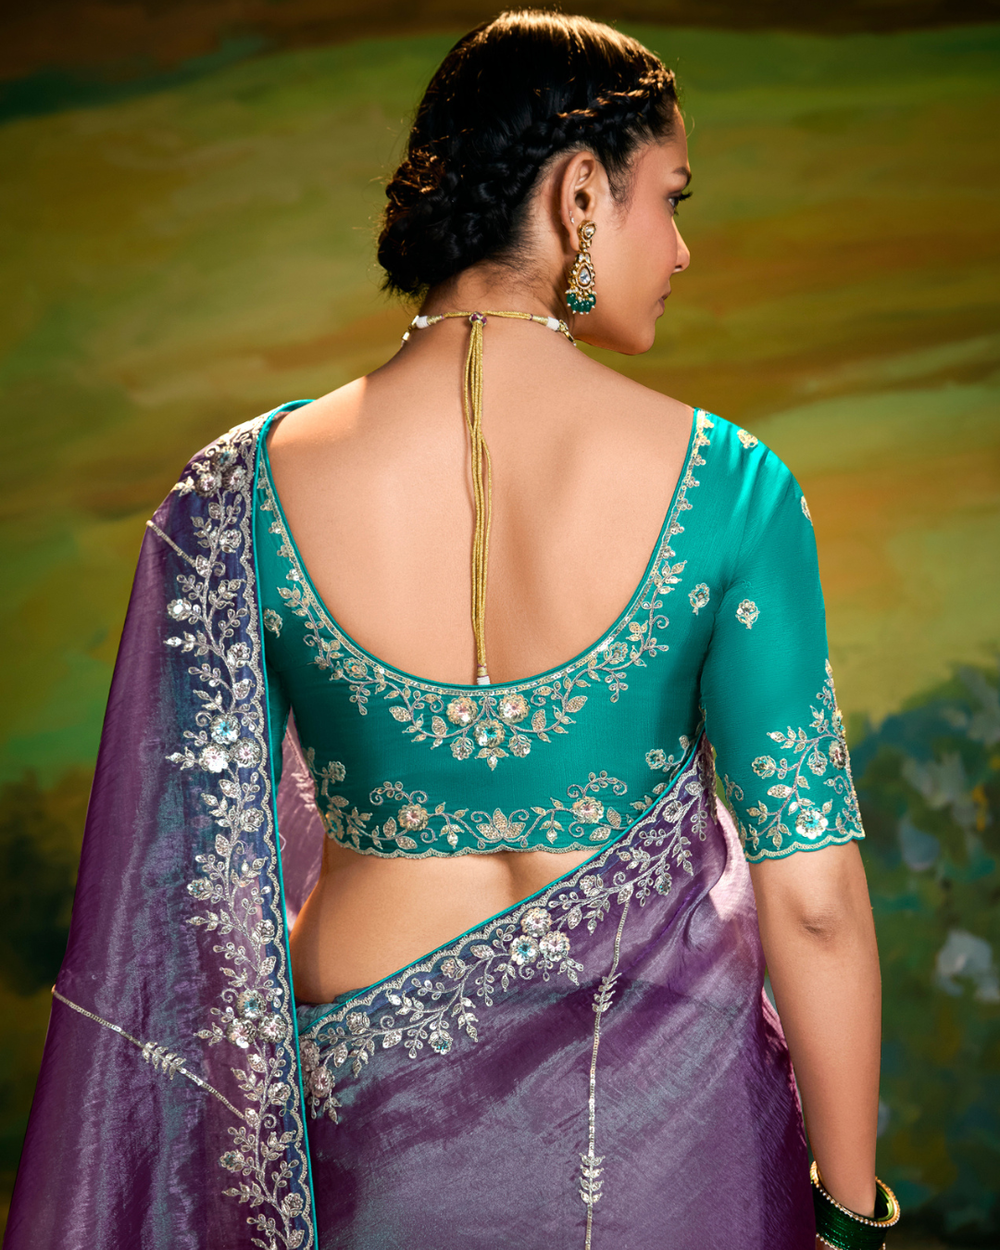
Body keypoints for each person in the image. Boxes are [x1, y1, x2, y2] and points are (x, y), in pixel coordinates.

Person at [6, 11, 901, 1249]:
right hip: (667, 1146)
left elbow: (175, 905)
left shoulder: (237, 492)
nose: (682, 249)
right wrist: (849, 1212)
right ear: (580, 194)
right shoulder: (734, 486)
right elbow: (812, 900)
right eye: (670, 198)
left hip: (374, 1144)